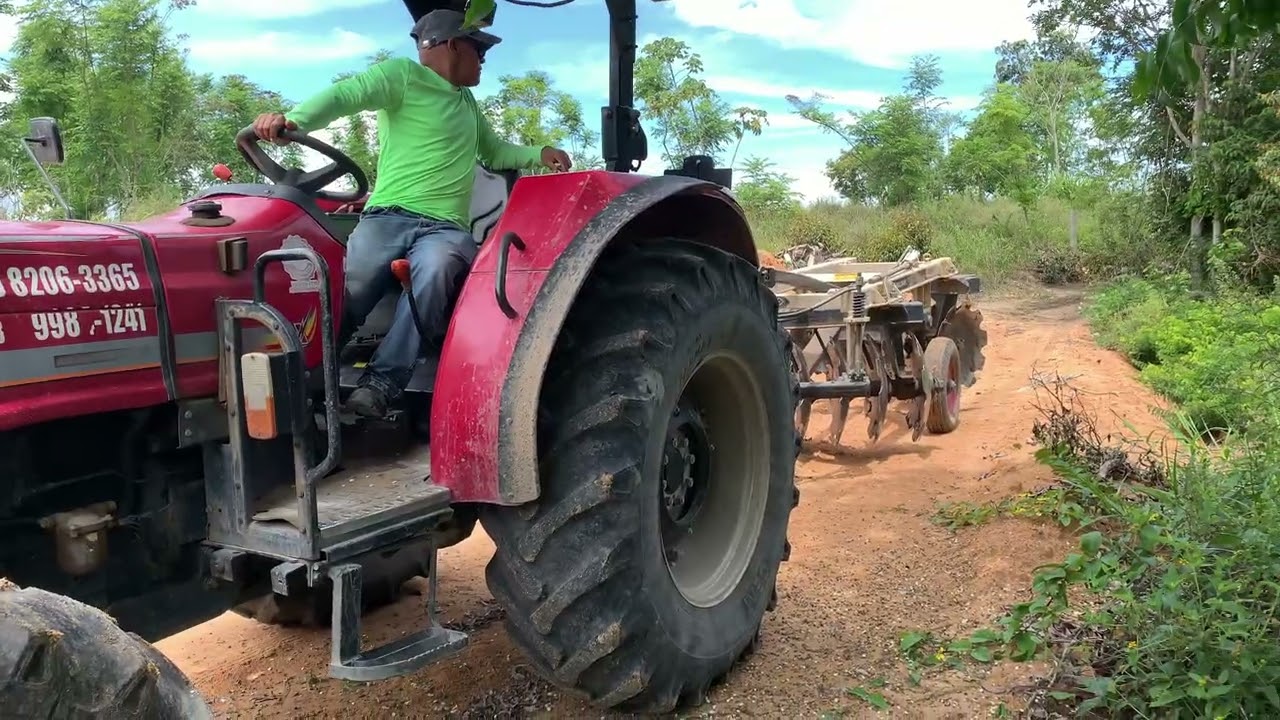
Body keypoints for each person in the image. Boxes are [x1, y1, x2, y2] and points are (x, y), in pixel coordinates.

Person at [251, 9, 572, 418]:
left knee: (437, 269)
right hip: (387, 216)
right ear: (451, 45)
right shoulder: (402, 76)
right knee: (356, 283)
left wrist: (538, 153)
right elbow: (345, 96)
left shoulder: (467, 104)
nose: (483, 61)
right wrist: (293, 119)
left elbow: (493, 153)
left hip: (445, 229)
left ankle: (381, 384)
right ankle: (306, 372)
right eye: (479, 50)